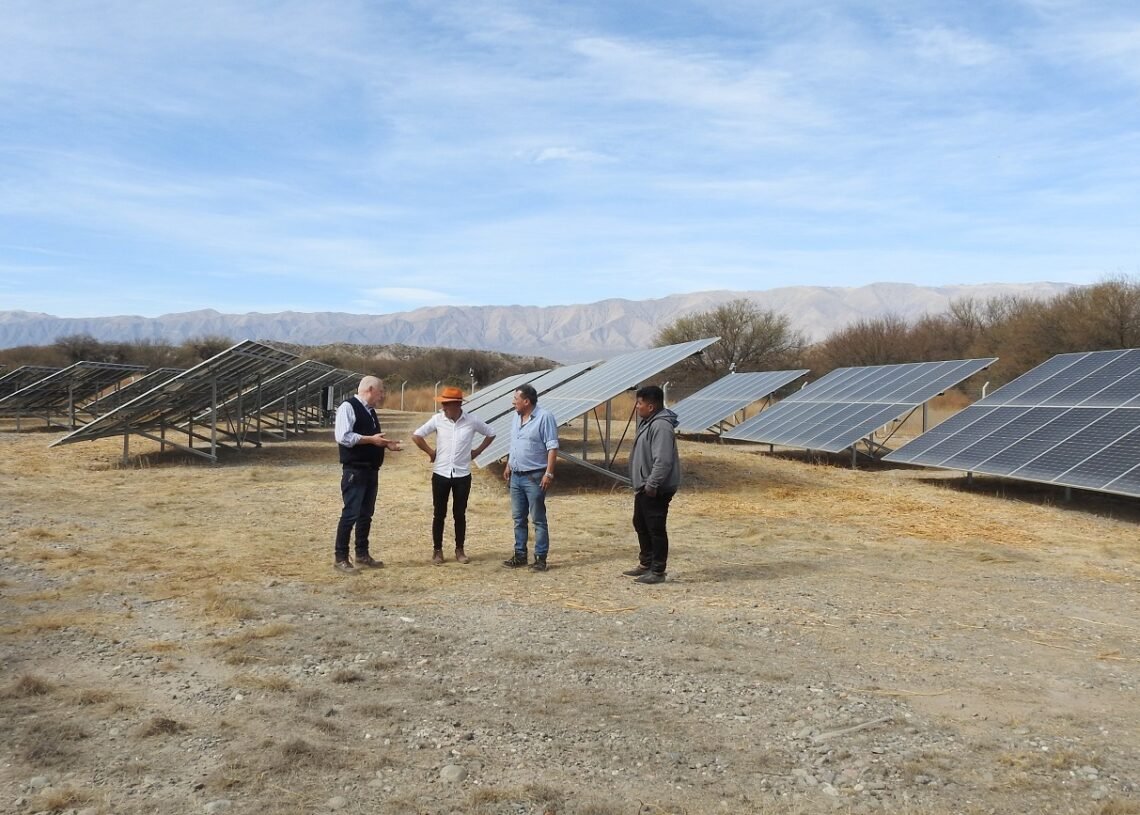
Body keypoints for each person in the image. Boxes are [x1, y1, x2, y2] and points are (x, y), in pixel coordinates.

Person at [412, 386, 496, 565]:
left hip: (462, 475)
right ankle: (437, 551)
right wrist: (430, 452)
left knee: (459, 513)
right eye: (443, 405)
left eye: (446, 405)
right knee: (439, 513)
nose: (443, 408)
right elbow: (417, 436)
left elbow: (491, 433)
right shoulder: (438, 419)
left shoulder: (472, 421)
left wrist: (477, 451)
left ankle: (460, 549)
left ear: (457, 405)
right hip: (441, 474)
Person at [332, 376, 402, 574]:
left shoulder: (369, 411)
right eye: (381, 391)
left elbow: (371, 440)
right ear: (370, 389)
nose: (383, 395)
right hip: (355, 470)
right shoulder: (348, 407)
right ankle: (341, 557)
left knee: (365, 515)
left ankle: (362, 554)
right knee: (350, 514)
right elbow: (344, 437)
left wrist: (386, 444)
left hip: (370, 470)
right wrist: (371, 440)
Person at [623, 384, 680, 584]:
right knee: (640, 523)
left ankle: (657, 571)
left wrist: (652, 484)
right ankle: (645, 563)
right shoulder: (649, 422)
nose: (636, 407)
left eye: (640, 403)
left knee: (655, 528)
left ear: (652, 406)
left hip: (656, 488)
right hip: (645, 485)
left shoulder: (660, 426)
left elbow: (663, 460)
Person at [501, 384, 559, 571]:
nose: (513, 402)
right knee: (518, 518)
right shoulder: (515, 418)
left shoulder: (545, 417)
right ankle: (520, 555)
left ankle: (540, 558)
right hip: (516, 476)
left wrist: (549, 473)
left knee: (538, 519)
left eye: (515, 399)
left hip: (534, 476)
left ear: (526, 401)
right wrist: (509, 464)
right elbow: (514, 443)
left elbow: (552, 447)